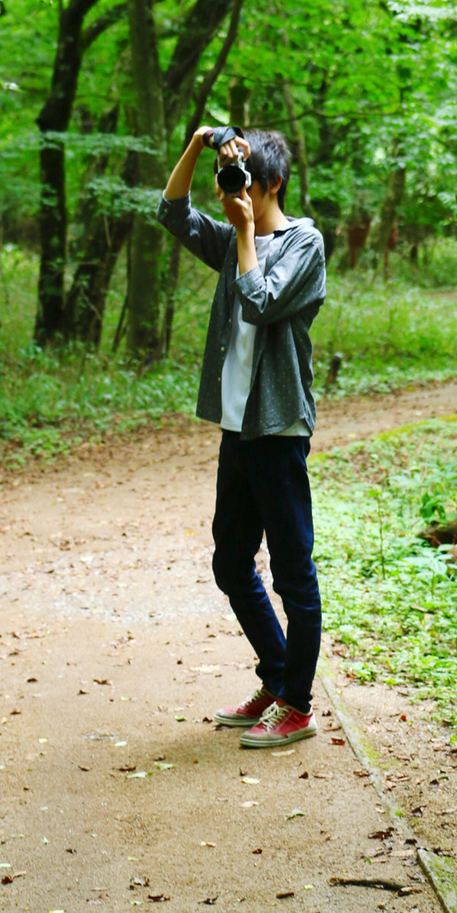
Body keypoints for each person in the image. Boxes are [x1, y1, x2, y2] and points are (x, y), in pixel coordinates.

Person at [158, 125, 327, 747]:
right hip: (238, 427)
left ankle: (298, 704)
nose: (233, 192)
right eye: (229, 179)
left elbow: (259, 303)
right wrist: (199, 147)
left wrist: (247, 233)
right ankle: (279, 675)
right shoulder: (235, 238)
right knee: (231, 562)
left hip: (278, 430)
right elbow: (171, 212)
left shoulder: (302, 243)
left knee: (291, 571)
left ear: (272, 183)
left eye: (243, 179)